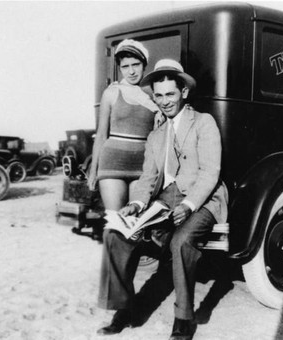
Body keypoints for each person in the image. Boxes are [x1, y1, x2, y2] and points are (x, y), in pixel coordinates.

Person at [97, 59, 228, 340]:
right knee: (118, 233)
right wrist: (137, 204)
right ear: (153, 97)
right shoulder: (155, 135)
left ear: (184, 93)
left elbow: (210, 172)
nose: (165, 101)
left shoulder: (203, 122)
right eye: (159, 95)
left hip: (201, 200)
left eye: (170, 94)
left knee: (181, 242)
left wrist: (187, 205)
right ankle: (125, 309)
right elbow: (147, 178)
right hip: (164, 201)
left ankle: (183, 319)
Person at [88, 39, 163, 212]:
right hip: (111, 164)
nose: (131, 71)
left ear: (144, 65)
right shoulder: (111, 92)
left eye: (135, 65)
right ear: (120, 68)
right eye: (125, 66)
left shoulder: (155, 93)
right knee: (116, 221)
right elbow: (101, 135)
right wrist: (93, 172)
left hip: (142, 167)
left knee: (135, 225)